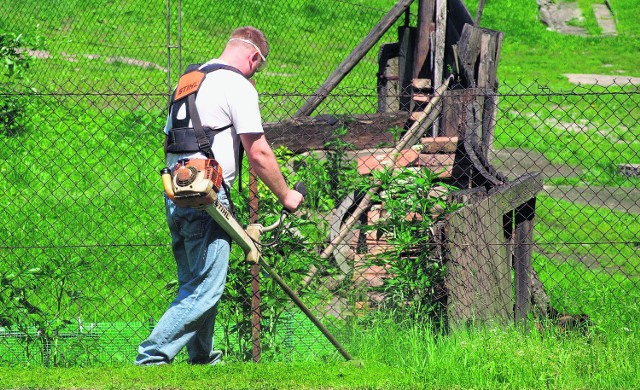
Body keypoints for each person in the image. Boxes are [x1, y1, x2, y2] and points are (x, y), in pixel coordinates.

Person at [135, 26, 304, 366]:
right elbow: (257, 152)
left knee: (195, 282)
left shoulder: (189, 80)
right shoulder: (237, 85)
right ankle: (151, 358)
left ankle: (201, 358)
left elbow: (171, 139)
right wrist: (286, 195)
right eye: (259, 66)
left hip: (176, 190)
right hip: (207, 195)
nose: (256, 73)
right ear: (254, 56)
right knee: (206, 288)